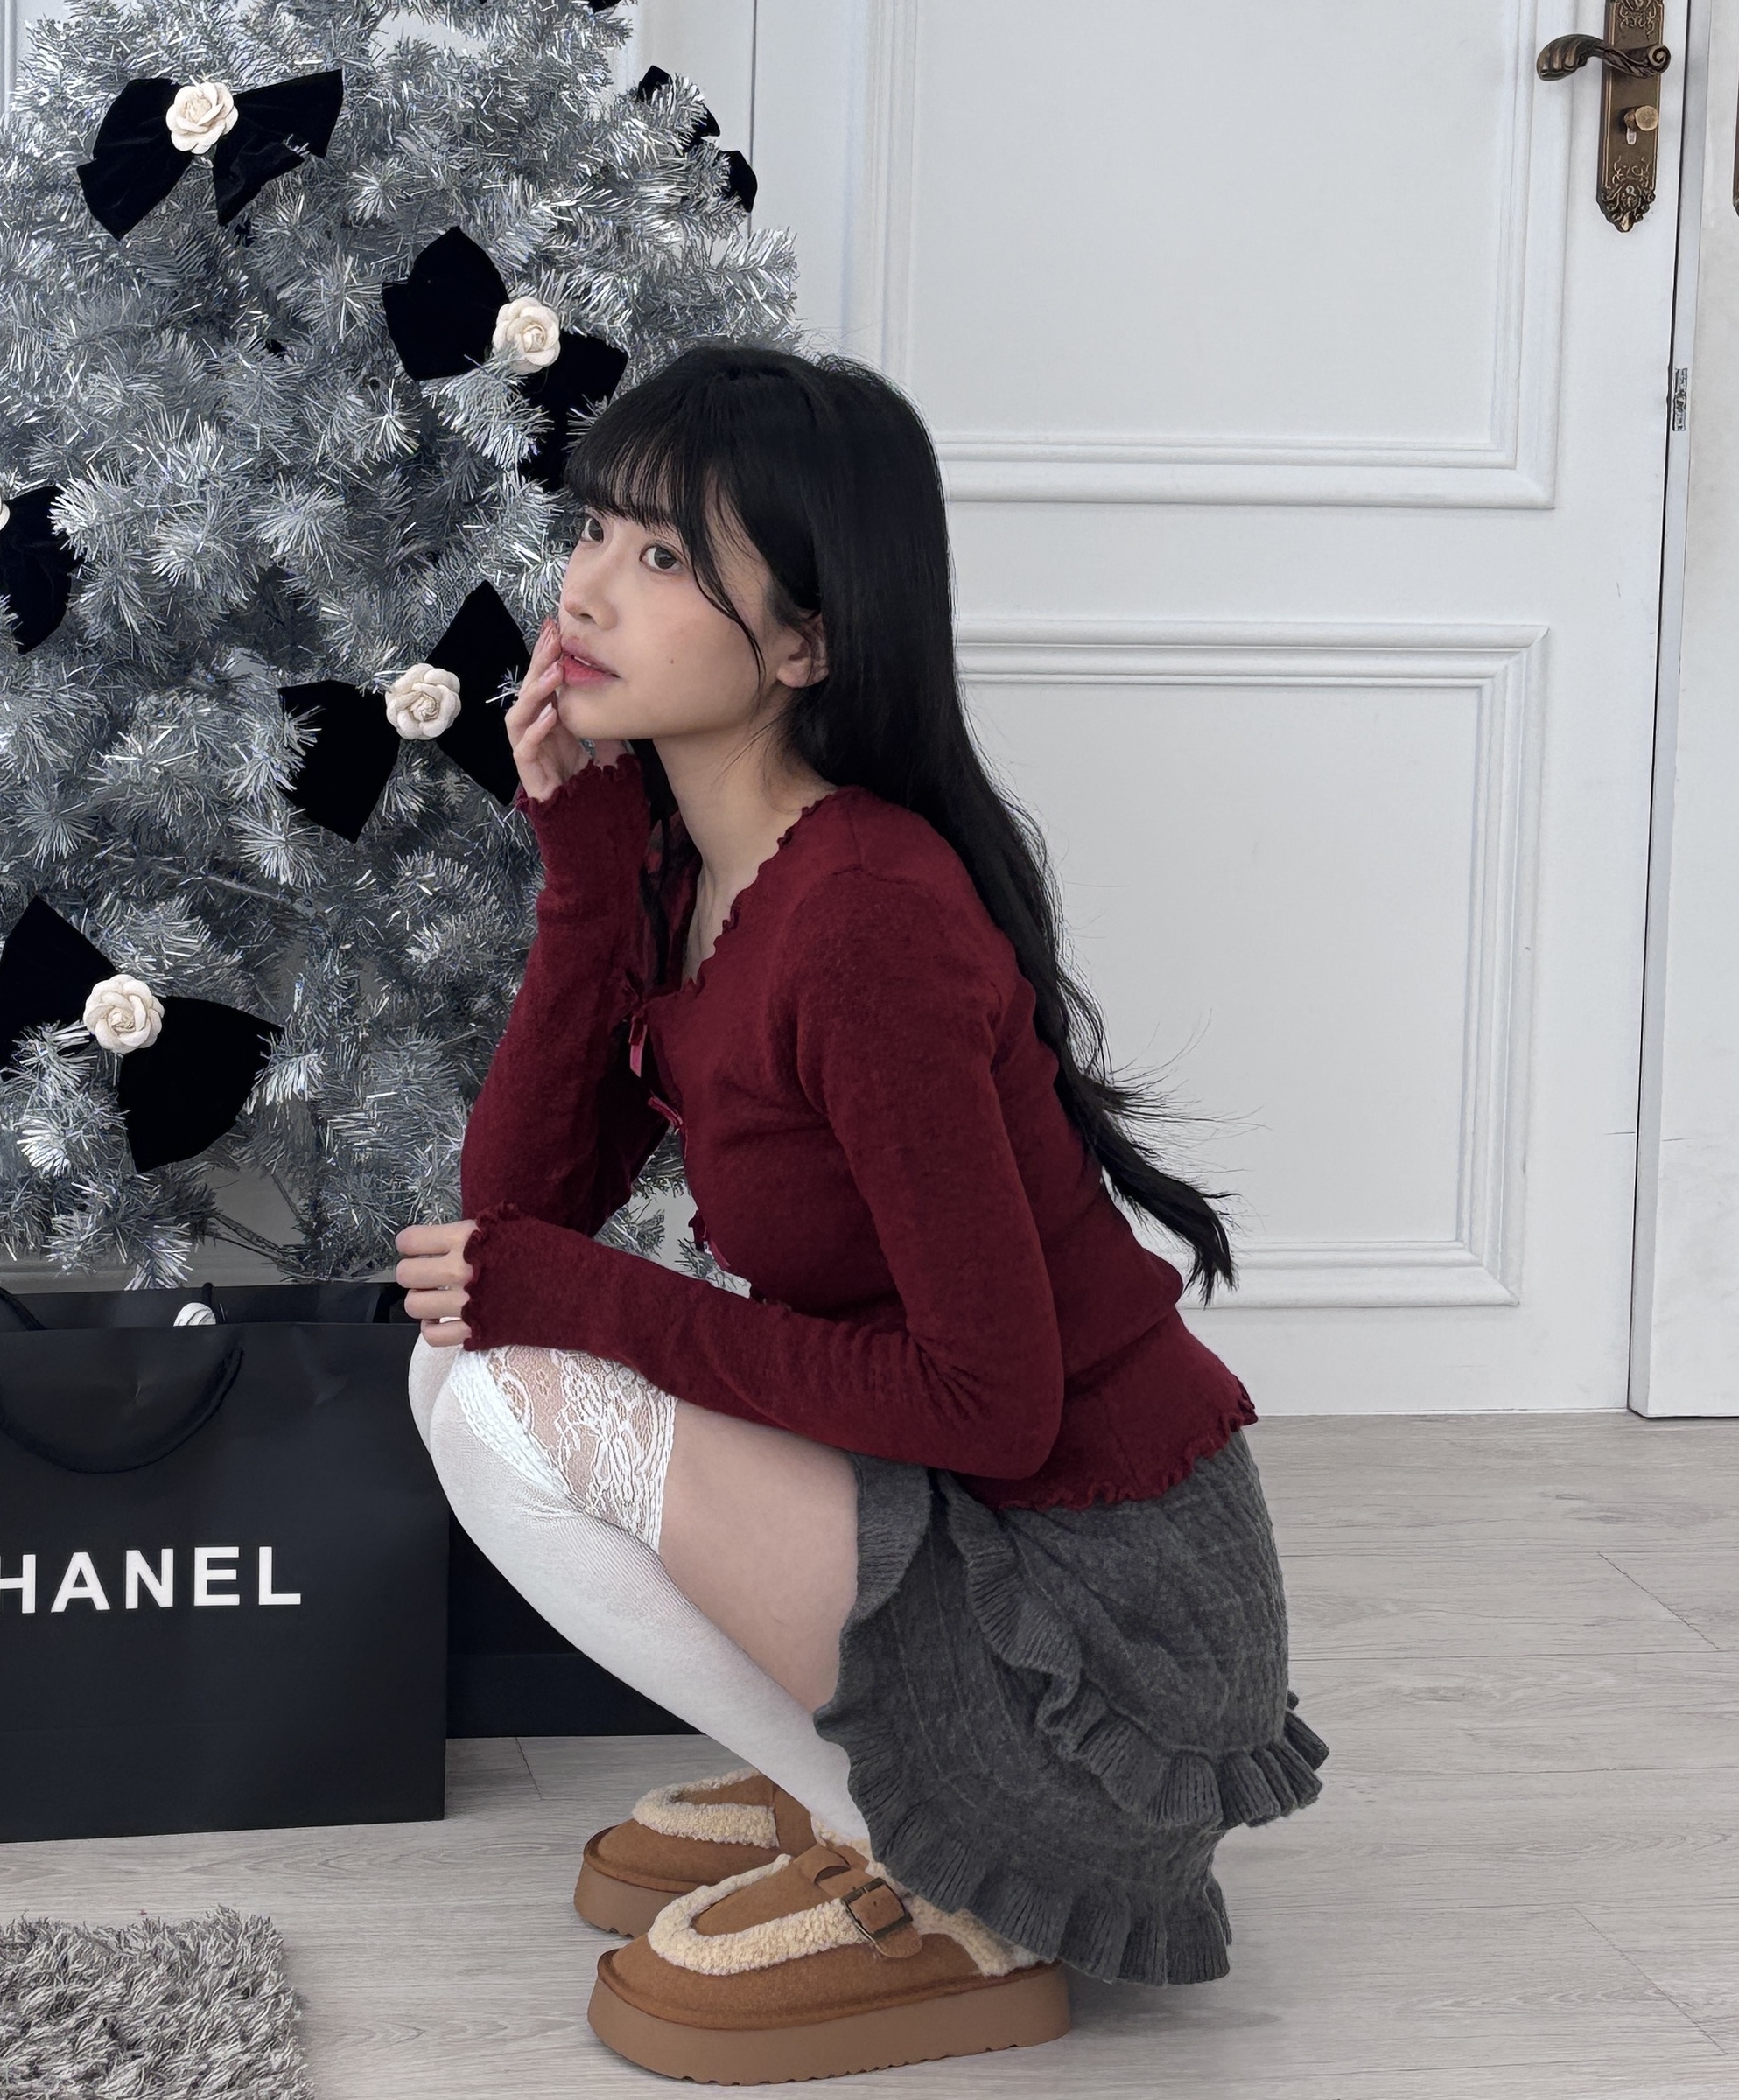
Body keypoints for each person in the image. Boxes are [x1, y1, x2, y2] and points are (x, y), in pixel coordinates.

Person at [395, 341, 1326, 2085]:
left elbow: (994, 1400)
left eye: (664, 557)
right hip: (988, 1521)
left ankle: (934, 1859)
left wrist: (581, 1298)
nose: (584, 590)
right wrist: (581, 865)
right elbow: (512, 1219)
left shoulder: (864, 920)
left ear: (807, 645)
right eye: (593, 530)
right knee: (467, 1368)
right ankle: (857, 1770)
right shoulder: (701, 871)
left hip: (1106, 1632)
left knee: (517, 1393)